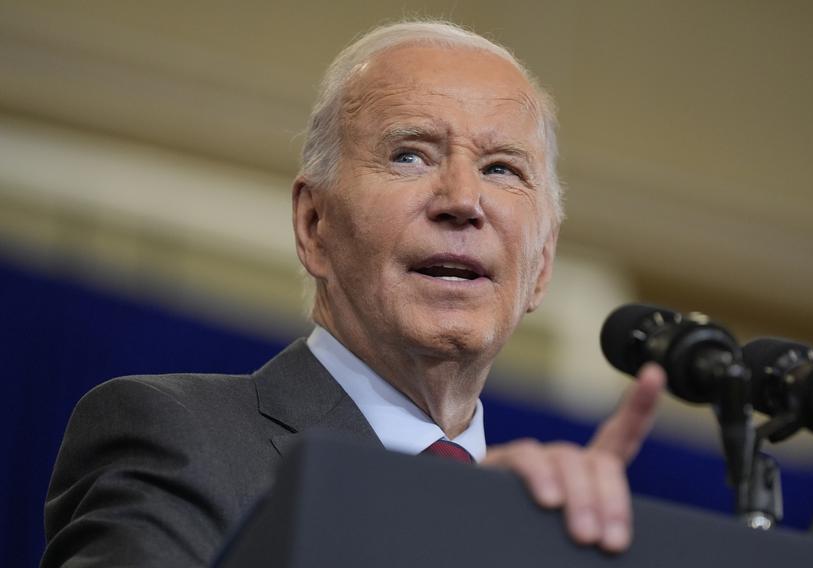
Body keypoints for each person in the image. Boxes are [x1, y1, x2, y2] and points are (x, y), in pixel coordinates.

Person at [42, 20, 665, 567]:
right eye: (411, 155)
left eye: (502, 168)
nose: (463, 202)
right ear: (315, 226)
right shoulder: (177, 437)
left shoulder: (549, 535)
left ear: (543, 263)